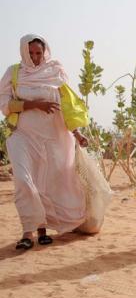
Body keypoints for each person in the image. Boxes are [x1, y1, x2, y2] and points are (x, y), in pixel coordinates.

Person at [0, 35, 89, 250]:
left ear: (45, 51)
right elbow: (4, 104)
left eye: (38, 53)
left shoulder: (55, 70)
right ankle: (26, 231)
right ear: (23, 52)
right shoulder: (14, 73)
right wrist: (33, 104)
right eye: (30, 53)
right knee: (23, 180)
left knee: (46, 184)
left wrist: (77, 133)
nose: (35, 58)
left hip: (52, 137)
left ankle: (41, 231)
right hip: (22, 135)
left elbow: (66, 106)